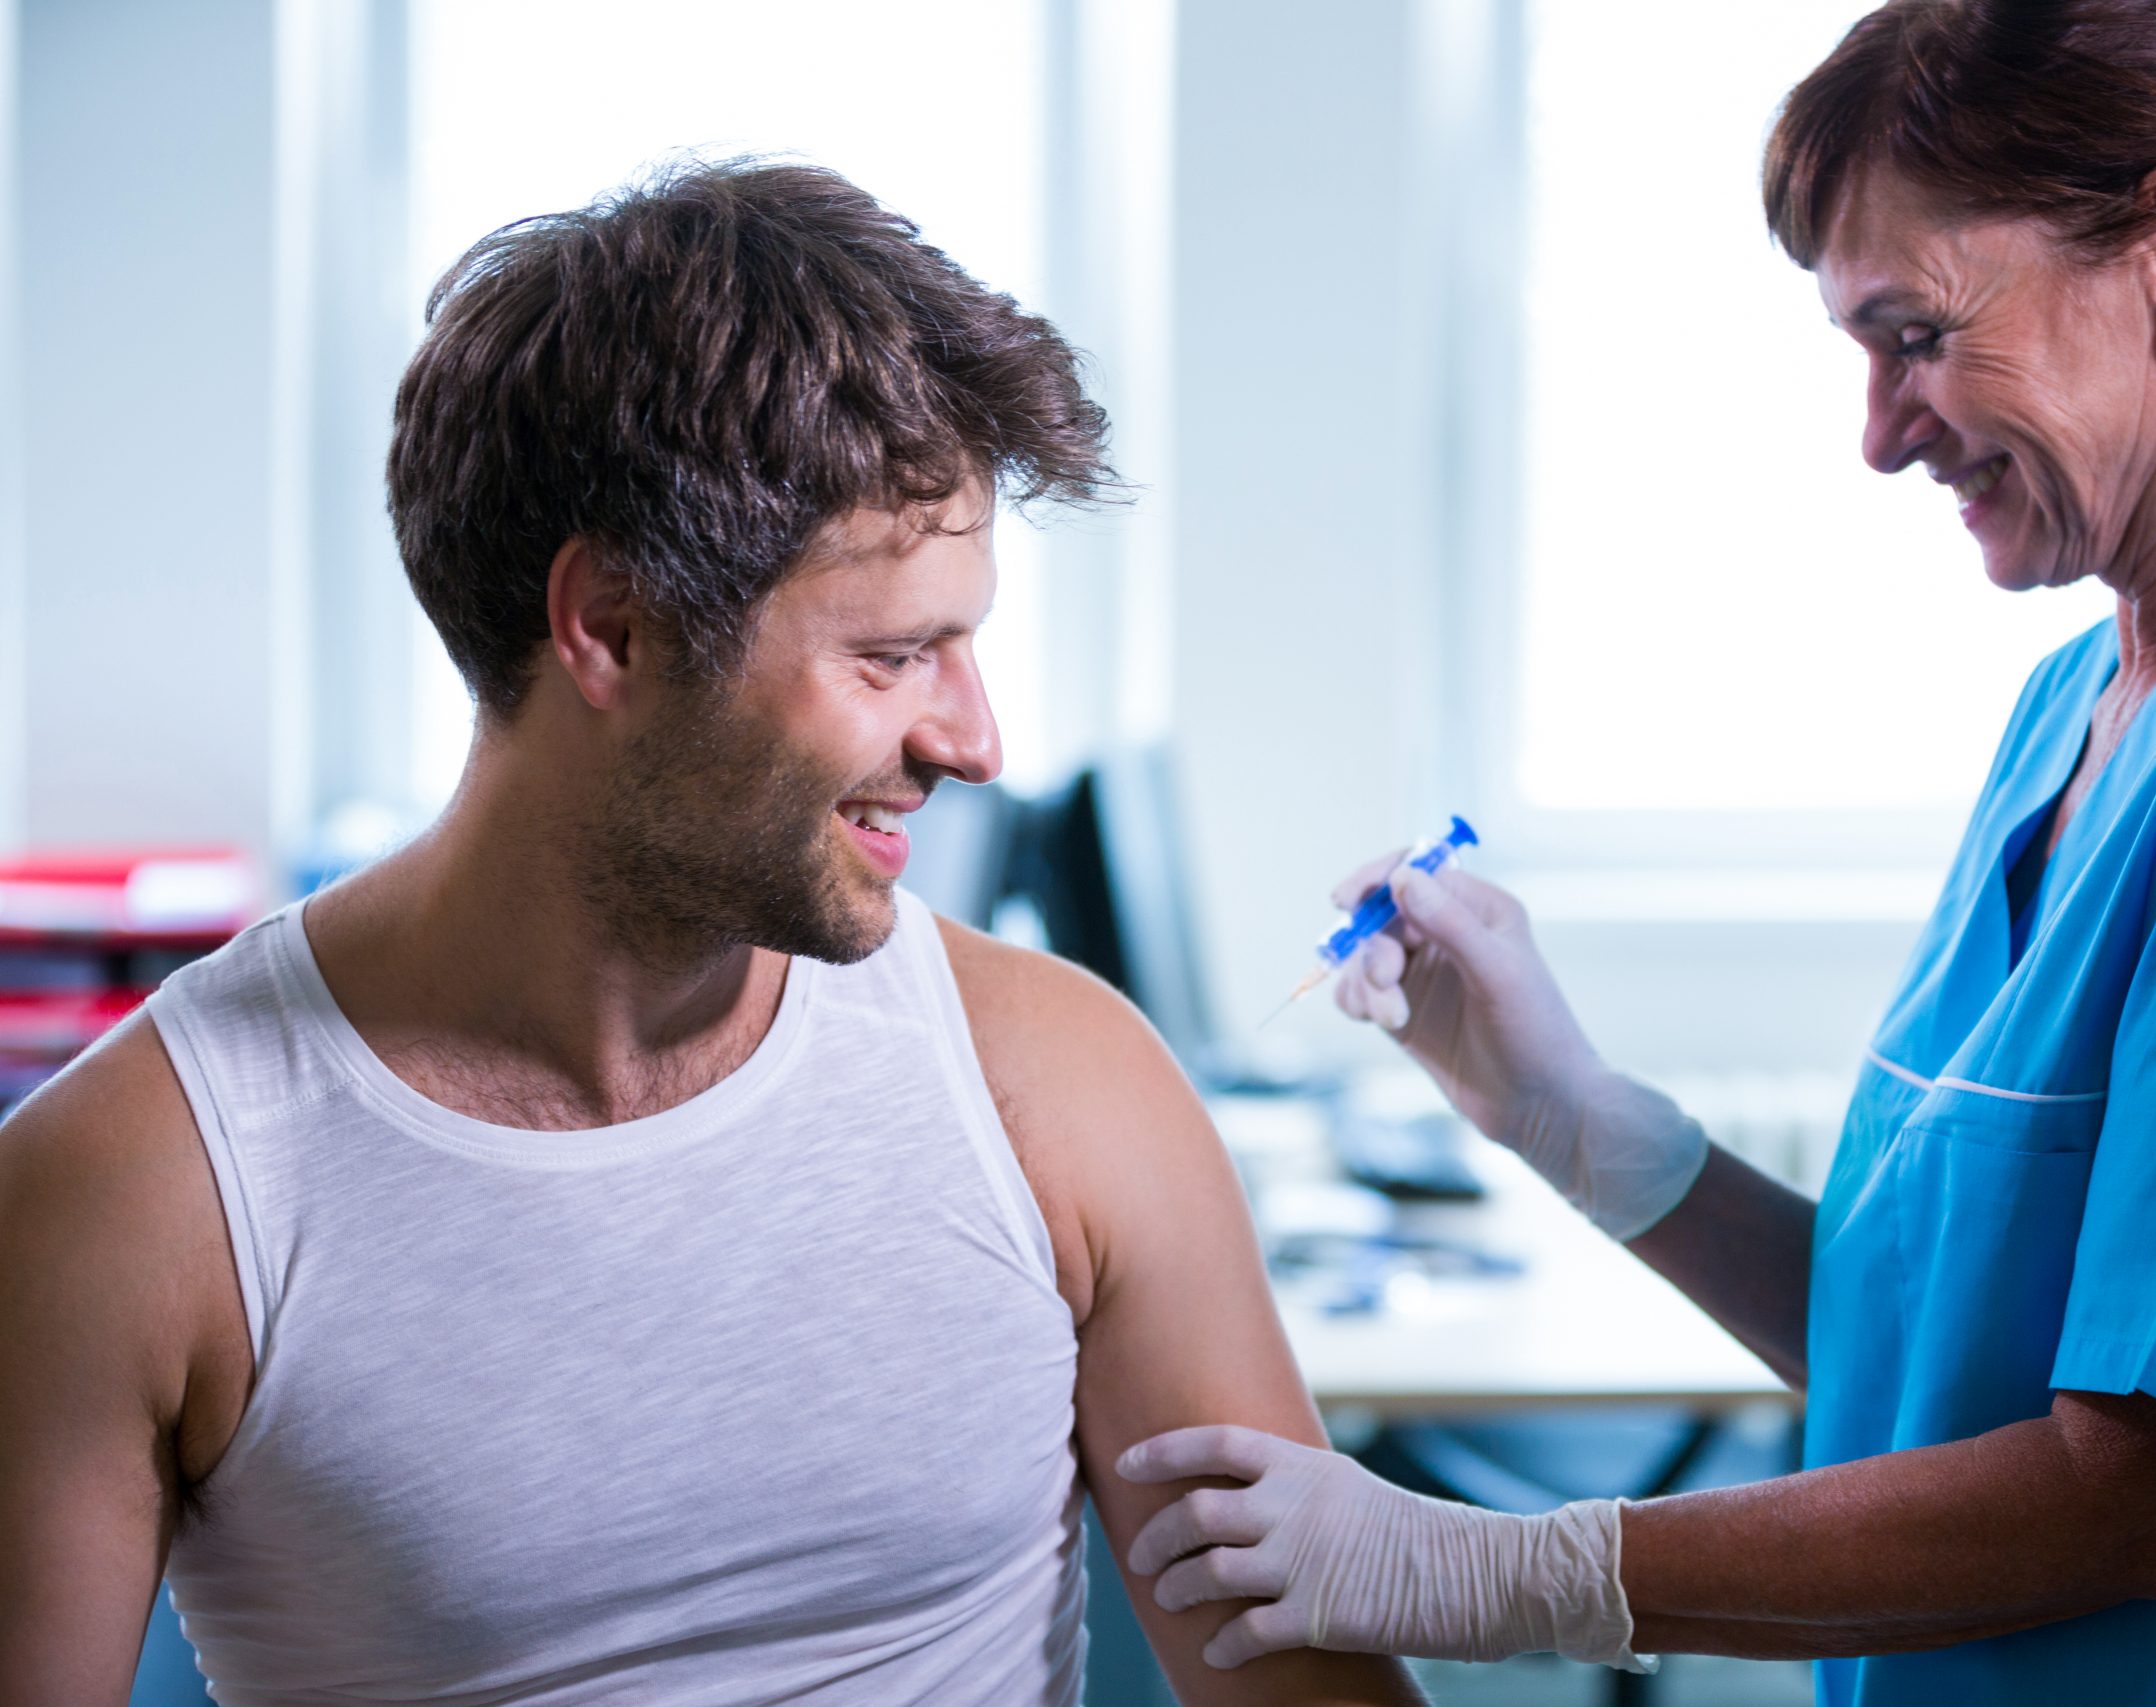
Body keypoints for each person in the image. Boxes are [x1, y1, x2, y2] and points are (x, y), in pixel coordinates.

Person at [1115, 2, 2156, 1702]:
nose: (1882, 431)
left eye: (1921, 335)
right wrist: (1581, 1126)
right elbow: (1938, 1361)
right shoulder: (2084, 700)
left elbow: (2143, 1494)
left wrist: (1493, 1568)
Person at [0, 160, 1421, 1707]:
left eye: (968, 645)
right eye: (892, 657)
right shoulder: (131, 1195)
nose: (976, 740)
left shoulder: (1062, 1086)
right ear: (610, 627)